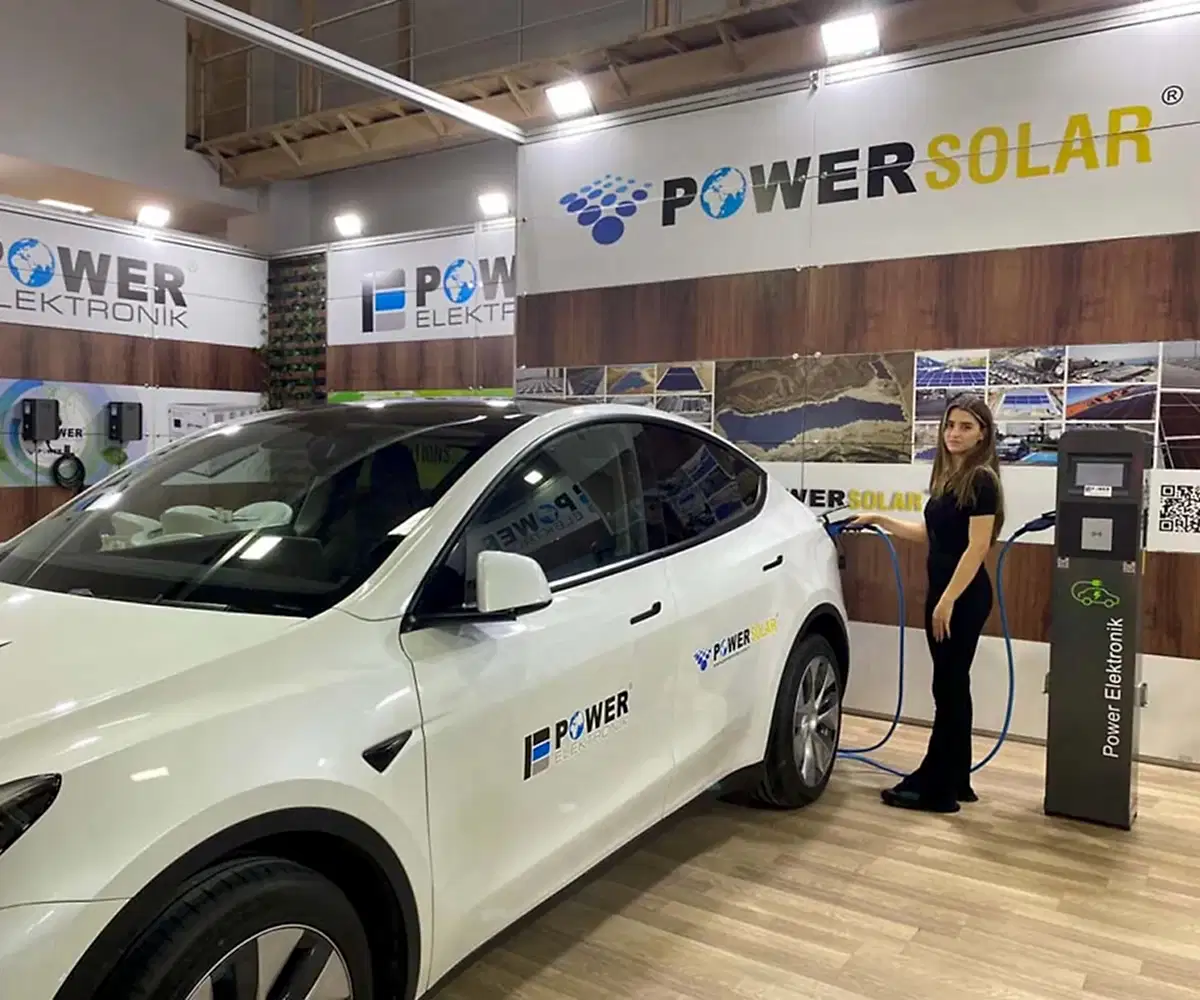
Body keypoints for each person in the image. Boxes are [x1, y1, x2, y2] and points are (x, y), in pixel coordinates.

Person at [850, 393, 1005, 814]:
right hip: (947, 595)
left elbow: (977, 547)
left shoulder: (982, 480)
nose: (954, 433)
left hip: (962, 598)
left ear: (983, 434)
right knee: (953, 687)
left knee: (948, 690)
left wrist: (947, 600)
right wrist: (879, 518)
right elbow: (930, 534)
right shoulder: (951, 477)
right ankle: (957, 779)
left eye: (966, 427)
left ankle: (937, 789)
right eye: (950, 425)